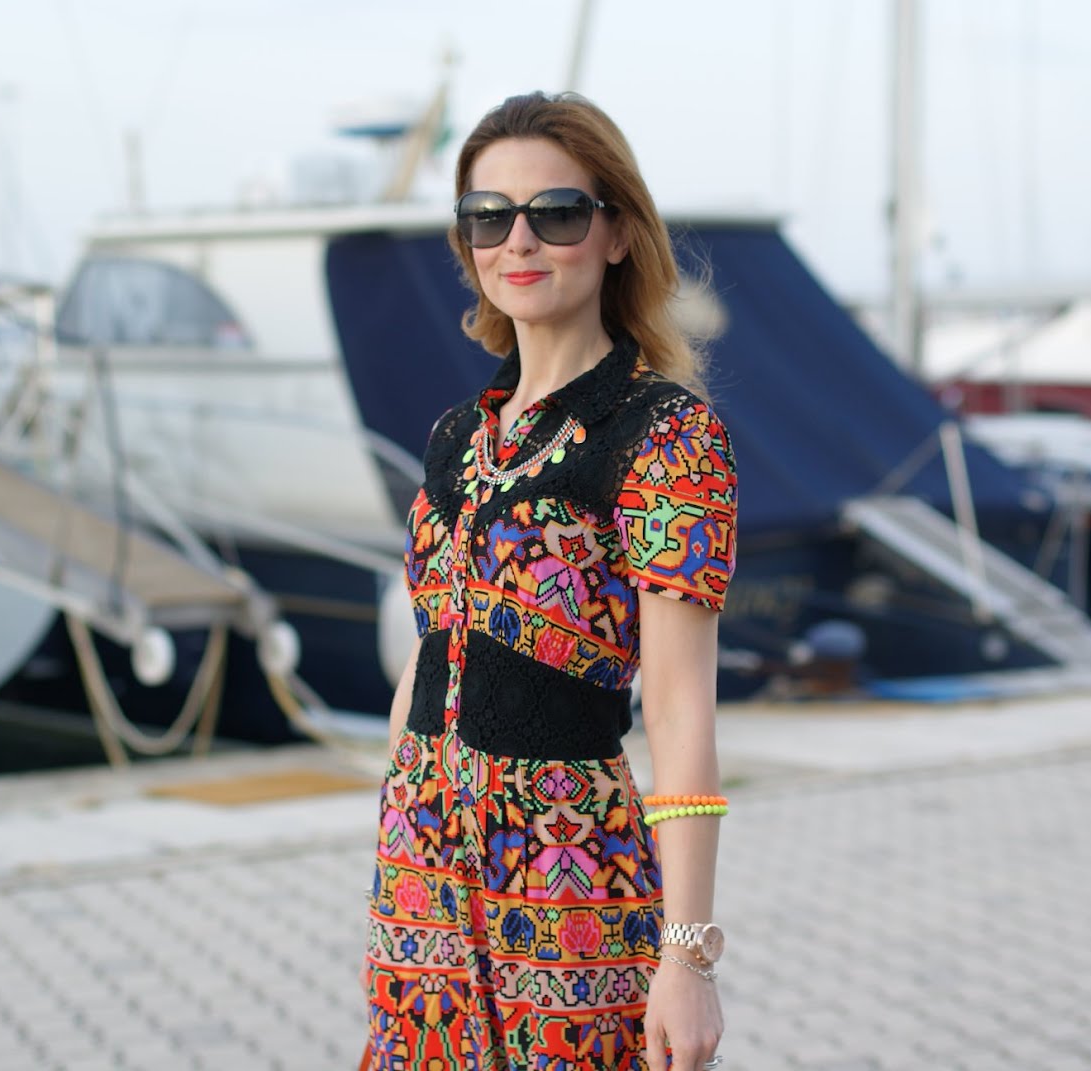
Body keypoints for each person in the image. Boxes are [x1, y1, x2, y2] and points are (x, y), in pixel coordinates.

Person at [364, 90, 737, 1071]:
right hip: (422, 873)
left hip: (566, 865)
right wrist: (397, 807)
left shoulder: (661, 434)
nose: (517, 240)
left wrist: (688, 957)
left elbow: (679, 709)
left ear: (615, 233)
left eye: (556, 213)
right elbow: (432, 648)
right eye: (488, 216)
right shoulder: (458, 436)